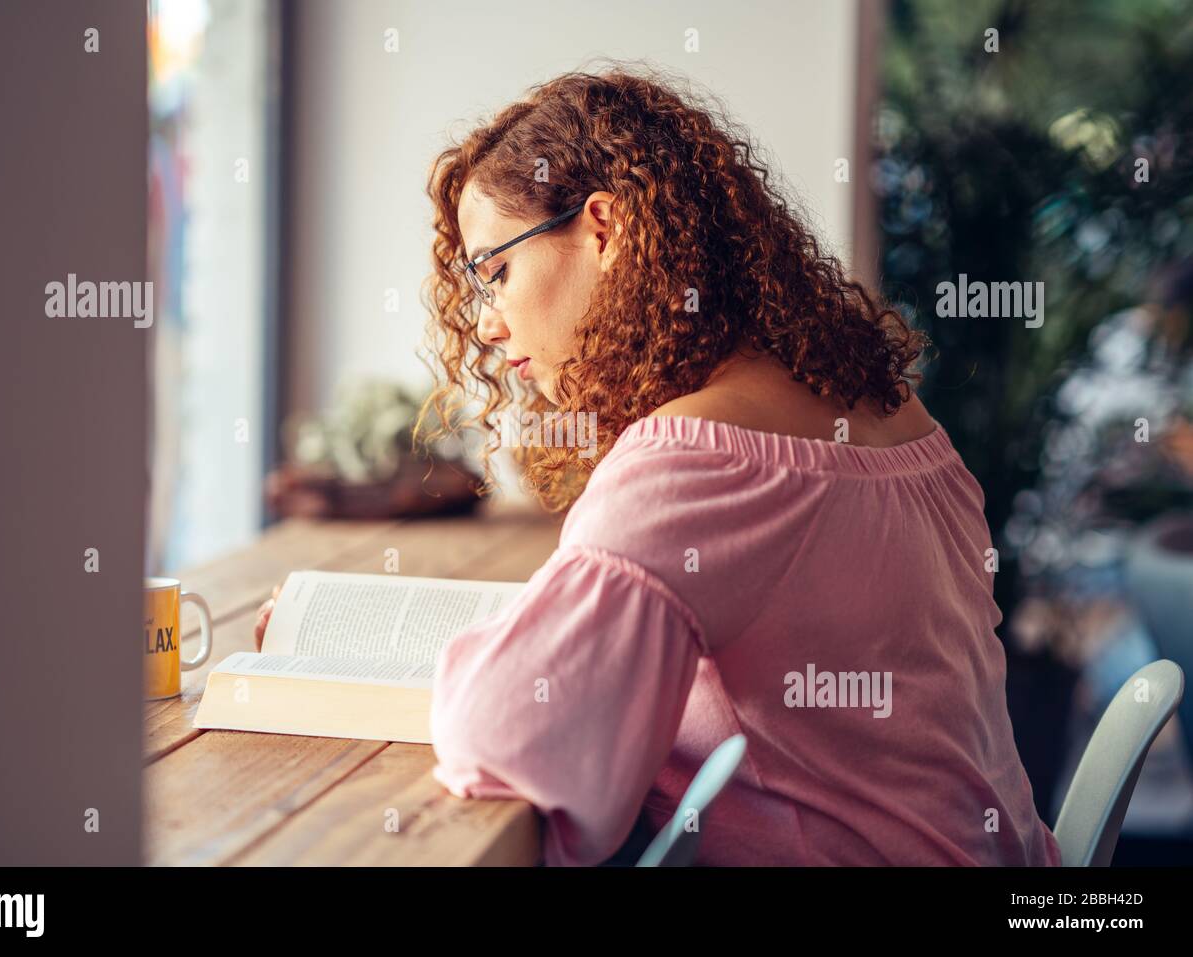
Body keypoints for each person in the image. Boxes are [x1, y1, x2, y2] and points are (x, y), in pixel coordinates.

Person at [256, 65, 1061, 867]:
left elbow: (516, 736)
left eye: (494, 271)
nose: (490, 326)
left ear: (602, 228)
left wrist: (479, 659)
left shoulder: (691, 457)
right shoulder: (895, 414)